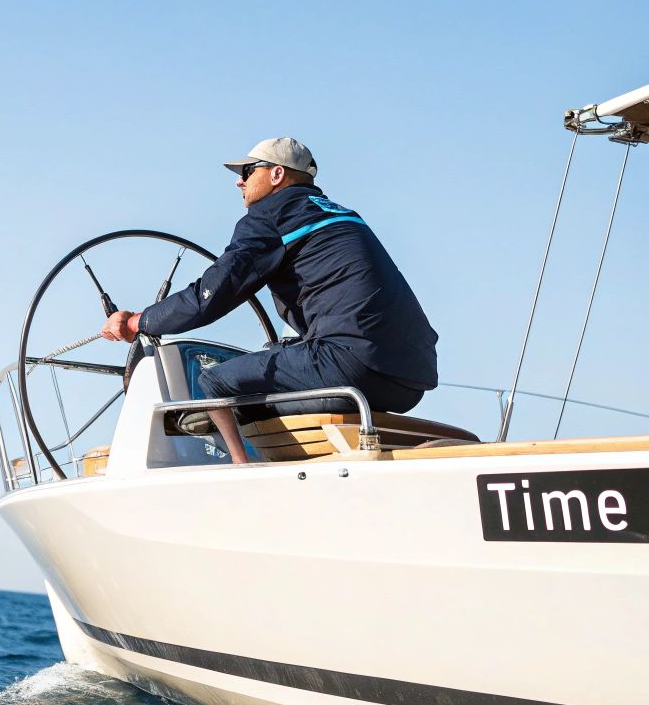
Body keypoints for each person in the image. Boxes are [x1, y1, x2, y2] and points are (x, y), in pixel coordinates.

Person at [100, 138, 438, 463]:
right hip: (410, 378)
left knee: (216, 382)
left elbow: (213, 294)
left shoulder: (272, 215)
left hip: (352, 364)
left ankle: (240, 470)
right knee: (273, 359)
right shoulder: (341, 215)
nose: (239, 183)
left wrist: (137, 322)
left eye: (247, 172)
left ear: (276, 174)